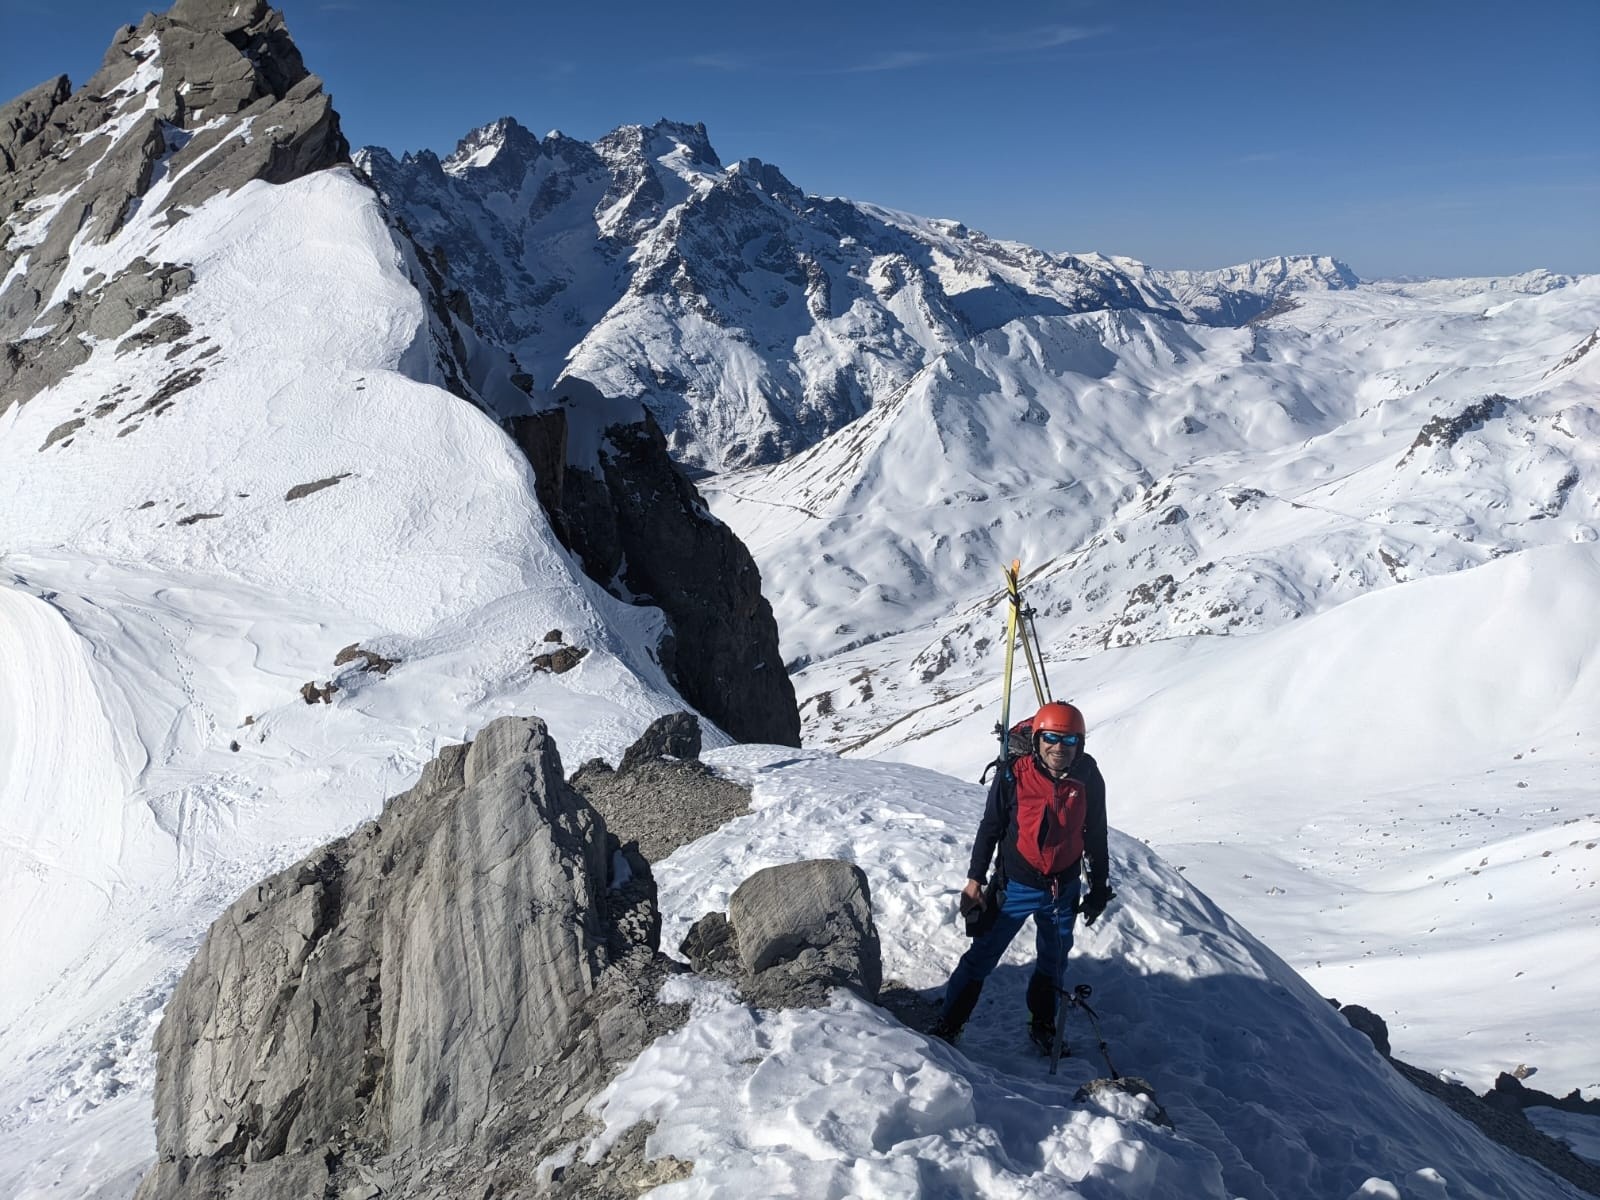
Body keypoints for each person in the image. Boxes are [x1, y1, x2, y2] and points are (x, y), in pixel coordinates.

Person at [931, 700, 1113, 1048]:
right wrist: (975, 880)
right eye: (1051, 738)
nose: (1059, 748)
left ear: (1081, 743)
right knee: (982, 956)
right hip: (1016, 884)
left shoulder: (1087, 777)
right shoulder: (1015, 774)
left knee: (1054, 960)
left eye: (1069, 741)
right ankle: (949, 1023)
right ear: (1037, 739)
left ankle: (1041, 1022)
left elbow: (1096, 832)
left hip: (1064, 888)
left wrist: (1100, 885)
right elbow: (991, 828)